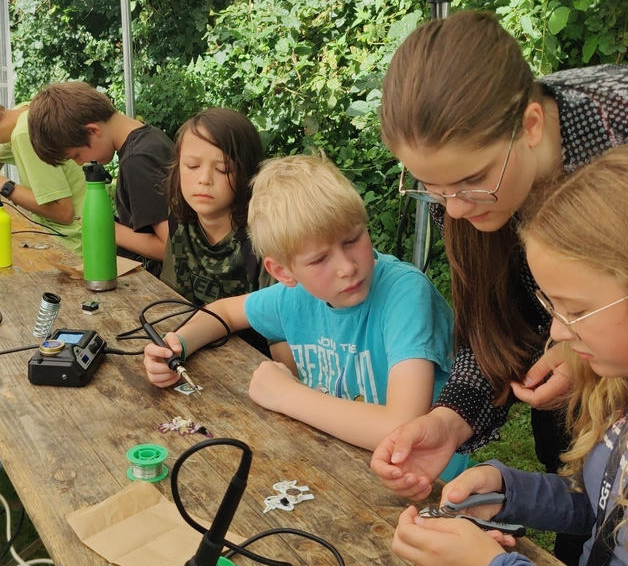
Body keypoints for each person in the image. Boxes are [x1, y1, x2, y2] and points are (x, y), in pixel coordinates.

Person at [370, 10, 628, 565]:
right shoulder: (471, 189)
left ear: (530, 126)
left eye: (471, 181)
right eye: (432, 188)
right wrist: (459, 424)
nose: (453, 208)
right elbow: (610, 500)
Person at [142, 153, 468, 479]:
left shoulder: (405, 293)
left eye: (352, 240)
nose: (347, 267)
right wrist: (177, 345)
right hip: (338, 467)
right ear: (283, 272)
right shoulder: (295, 297)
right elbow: (224, 311)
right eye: (319, 260)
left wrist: (287, 395)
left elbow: (402, 428)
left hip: (424, 485)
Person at [27, 81, 172, 274]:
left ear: (93, 130)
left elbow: (169, 248)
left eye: (76, 155)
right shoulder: (148, 138)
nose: (80, 163)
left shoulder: (138, 160)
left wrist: (109, 229)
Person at [161, 107, 270, 304]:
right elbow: (171, 297)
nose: (204, 179)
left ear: (248, 173)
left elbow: (276, 316)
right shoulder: (179, 218)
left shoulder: (266, 235)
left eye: (223, 169)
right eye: (192, 166)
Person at [0, 104, 85, 252]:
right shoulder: (25, 112)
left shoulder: (25, 133)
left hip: (73, 245)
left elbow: (63, 213)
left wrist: (4, 185)